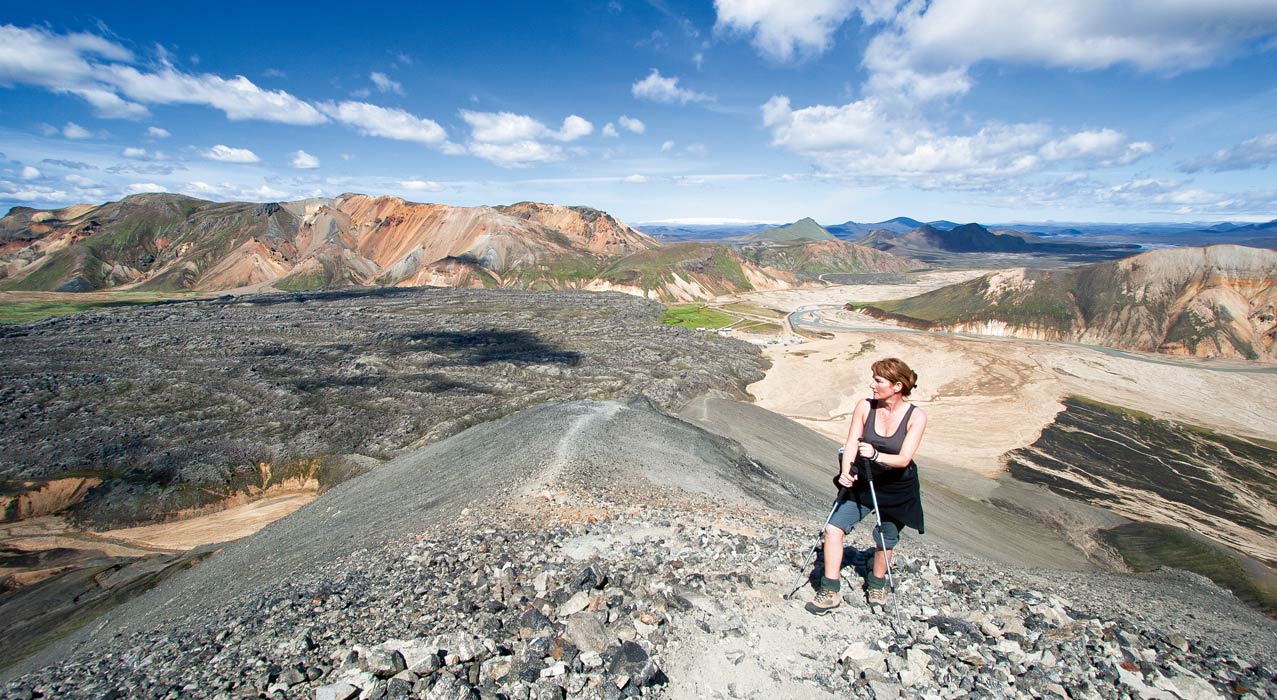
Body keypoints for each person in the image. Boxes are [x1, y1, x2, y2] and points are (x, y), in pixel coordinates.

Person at [806, 357, 927, 614]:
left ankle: (877, 582)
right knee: (833, 528)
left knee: (885, 538)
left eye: (878, 380)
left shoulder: (916, 416)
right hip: (863, 480)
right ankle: (830, 588)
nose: (872, 384)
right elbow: (851, 442)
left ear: (897, 386)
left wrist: (875, 456)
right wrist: (845, 471)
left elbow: (904, 458)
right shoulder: (865, 406)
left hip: (896, 487)